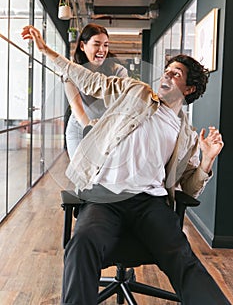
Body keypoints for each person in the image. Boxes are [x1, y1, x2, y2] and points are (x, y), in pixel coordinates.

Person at [21, 25, 230, 305]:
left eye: (175, 74)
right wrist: (47, 51)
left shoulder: (188, 135)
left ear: (189, 89)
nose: (166, 74)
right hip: (104, 196)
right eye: (166, 70)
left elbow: (189, 190)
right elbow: (88, 80)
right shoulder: (135, 91)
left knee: (183, 258)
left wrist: (207, 158)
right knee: (81, 244)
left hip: (150, 204)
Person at [62, 23, 128, 159]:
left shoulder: (118, 71)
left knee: (103, 176)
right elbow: (76, 106)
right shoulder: (70, 73)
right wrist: (89, 128)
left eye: (106, 45)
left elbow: (122, 104)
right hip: (80, 128)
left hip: (108, 130)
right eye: (96, 44)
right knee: (81, 174)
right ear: (82, 46)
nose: (102, 50)